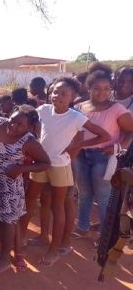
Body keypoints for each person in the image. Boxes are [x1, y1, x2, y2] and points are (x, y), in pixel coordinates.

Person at [20, 77, 110, 267]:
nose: (57, 96)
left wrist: (77, 145)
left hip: (61, 166)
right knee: (31, 199)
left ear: (72, 97)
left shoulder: (76, 117)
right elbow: (29, 123)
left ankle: (54, 250)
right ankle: (20, 239)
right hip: (40, 163)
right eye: (55, 92)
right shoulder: (43, 110)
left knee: (58, 206)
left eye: (63, 94)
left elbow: (104, 136)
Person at [0, 106, 50, 274]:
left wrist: (22, 169)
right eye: (12, 120)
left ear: (29, 127)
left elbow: (45, 163)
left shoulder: (29, 142)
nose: (13, 126)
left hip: (9, 185)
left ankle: (5, 258)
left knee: (6, 221)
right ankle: (0, 246)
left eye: (20, 124)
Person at [73, 66, 133, 239]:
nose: (102, 92)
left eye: (107, 88)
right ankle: (82, 227)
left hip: (104, 157)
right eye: (97, 88)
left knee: (103, 196)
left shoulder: (117, 109)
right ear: (89, 87)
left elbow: (130, 130)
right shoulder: (79, 107)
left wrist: (118, 147)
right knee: (84, 193)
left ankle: (104, 237)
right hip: (82, 156)